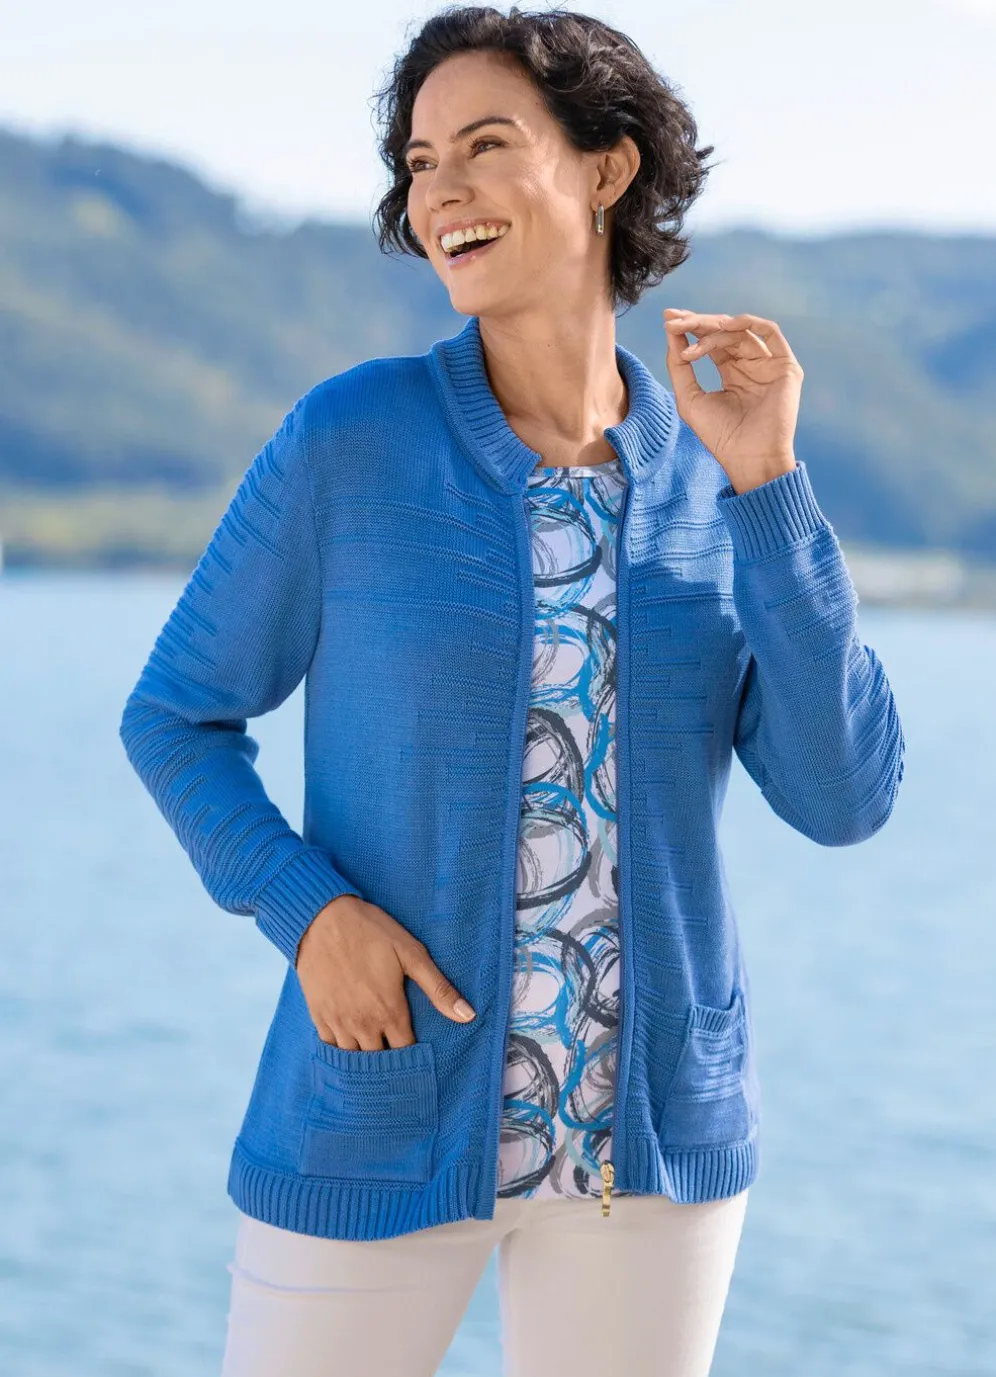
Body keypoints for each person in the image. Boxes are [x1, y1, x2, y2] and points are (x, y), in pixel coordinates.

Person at [118, 6, 906, 1376]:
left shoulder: (715, 480)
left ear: (606, 168)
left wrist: (771, 487)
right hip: (379, 1107)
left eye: (486, 146)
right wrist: (310, 915)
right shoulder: (350, 443)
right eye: (421, 164)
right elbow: (175, 717)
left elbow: (843, 797)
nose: (443, 192)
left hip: (651, 1153)